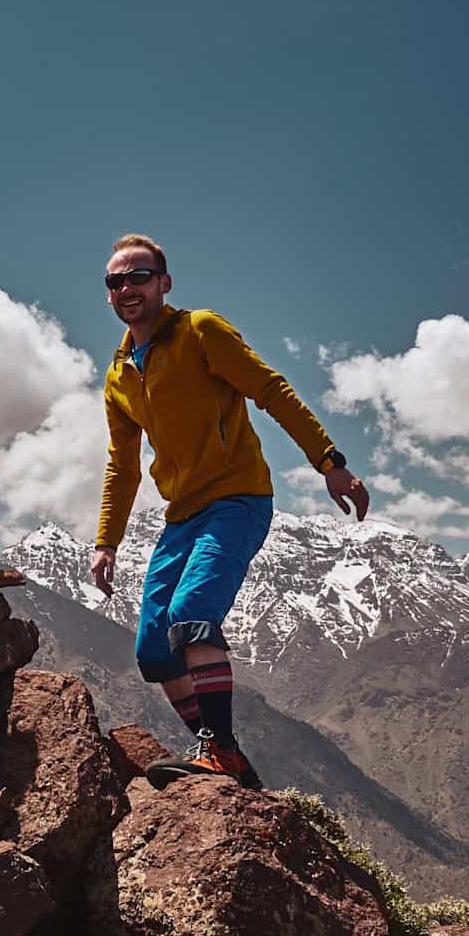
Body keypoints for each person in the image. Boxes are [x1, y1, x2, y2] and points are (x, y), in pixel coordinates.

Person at [90, 233, 369, 789]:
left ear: (164, 283)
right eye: (115, 281)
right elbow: (122, 466)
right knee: (153, 649)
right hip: (181, 516)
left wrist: (329, 460)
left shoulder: (200, 332)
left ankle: (219, 751)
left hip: (237, 499)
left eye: (139, 276)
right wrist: (107, 541)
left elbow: (270, 389)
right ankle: (222, 755)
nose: (127, 288)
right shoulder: (119, 374)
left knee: (192, 616)